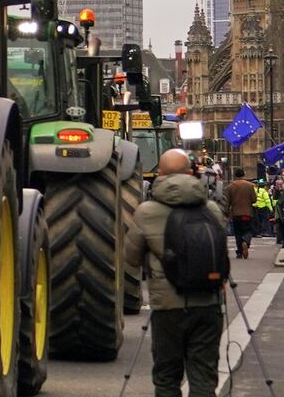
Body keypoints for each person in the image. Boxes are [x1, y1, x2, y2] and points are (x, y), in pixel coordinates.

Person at [124, 148, 227, 397]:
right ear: (192, 173)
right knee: (203, 377)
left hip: (167, 308)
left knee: (167, 378)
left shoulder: (146, 212)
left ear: (159, 174)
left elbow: (130, 259)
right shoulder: (211, 210)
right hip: (207, 303)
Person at [225, 175, 259, 259]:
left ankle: (239, 252)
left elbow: (227, 201)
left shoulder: (231, 186)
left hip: (236, 213)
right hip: (247, 212)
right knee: (249, 230)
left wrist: (226, 212)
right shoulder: (250, 185)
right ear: (243, 175)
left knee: (238, 233)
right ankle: (246, 242)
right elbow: (254, 199)